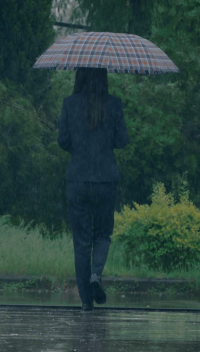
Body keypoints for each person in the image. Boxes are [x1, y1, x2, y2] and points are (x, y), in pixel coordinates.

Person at [57, 67, 129, 311]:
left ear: (80, 76)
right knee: (103, 235)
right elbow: (122, 141)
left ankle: (87, 303)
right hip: (105, 180)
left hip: (77, 179)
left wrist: (81, 147)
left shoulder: (70, 103)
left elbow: (63, 141)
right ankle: (96, 275)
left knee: (81, 242)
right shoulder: (114, 104)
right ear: (104, 78)